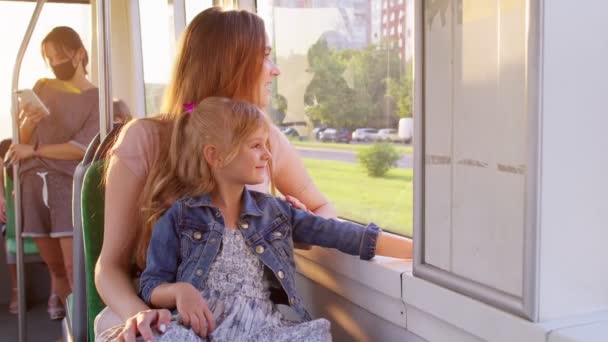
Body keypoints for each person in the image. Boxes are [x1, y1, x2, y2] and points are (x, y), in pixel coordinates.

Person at [94, 7, 413, 341]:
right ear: (230, 65)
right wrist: (142, 314)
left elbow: (322, 211)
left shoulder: (268, 139)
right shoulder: (145, 138)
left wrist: (295, 226)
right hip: (158, 307)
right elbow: (109, 266)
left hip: (249, 317)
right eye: (264, 57)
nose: (274, 70)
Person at [131, 97, 411, 341]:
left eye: (267, 145)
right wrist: (180, 291)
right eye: (255, 145)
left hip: (262, 330)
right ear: (214, 156)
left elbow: (343, 235)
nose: (267, 154)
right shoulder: (179, 217)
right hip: (200, 332)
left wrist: (417, 251)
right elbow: (151, 285)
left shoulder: (276, 213)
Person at [5, 26, 100, 320]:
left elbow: (81, 148)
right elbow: (21, 140)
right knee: (55, 267)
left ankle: (81, 328)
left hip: (68, 187)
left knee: (74, 267)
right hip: (33, 186)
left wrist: (36, 150)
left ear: (79, 54)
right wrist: (30, 125)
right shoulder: (43, 87)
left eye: (60, 55)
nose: (55, 62)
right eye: (50, 58)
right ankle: (67, 327)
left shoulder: (98, 98)